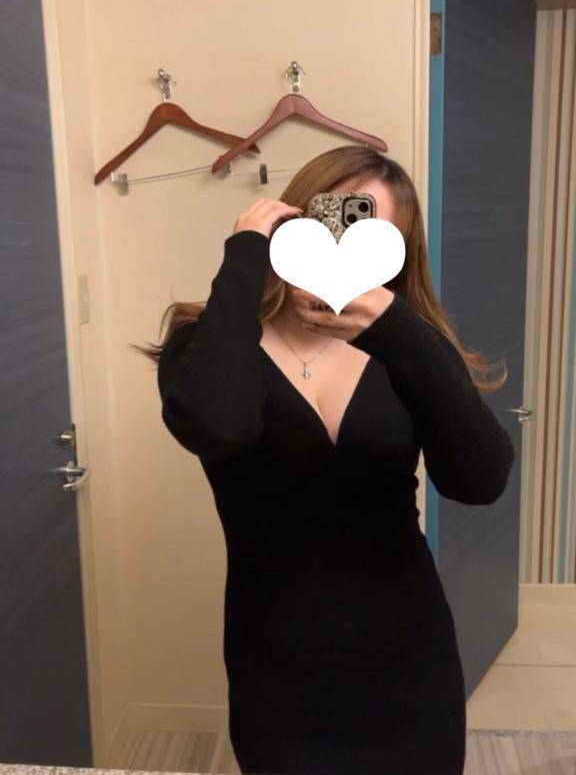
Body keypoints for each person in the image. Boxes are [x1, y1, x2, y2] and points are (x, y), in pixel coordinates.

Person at [146, 145, 515, 775]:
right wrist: (245, 255)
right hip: (276, 669)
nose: (341, 251)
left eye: (369, 236)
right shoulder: (211, 342)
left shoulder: (413, 349)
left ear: (397, 253)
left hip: (411, 660)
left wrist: (400, 333)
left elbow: (479, 480)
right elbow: (219, 425)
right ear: (290, 226)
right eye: (327, 226)